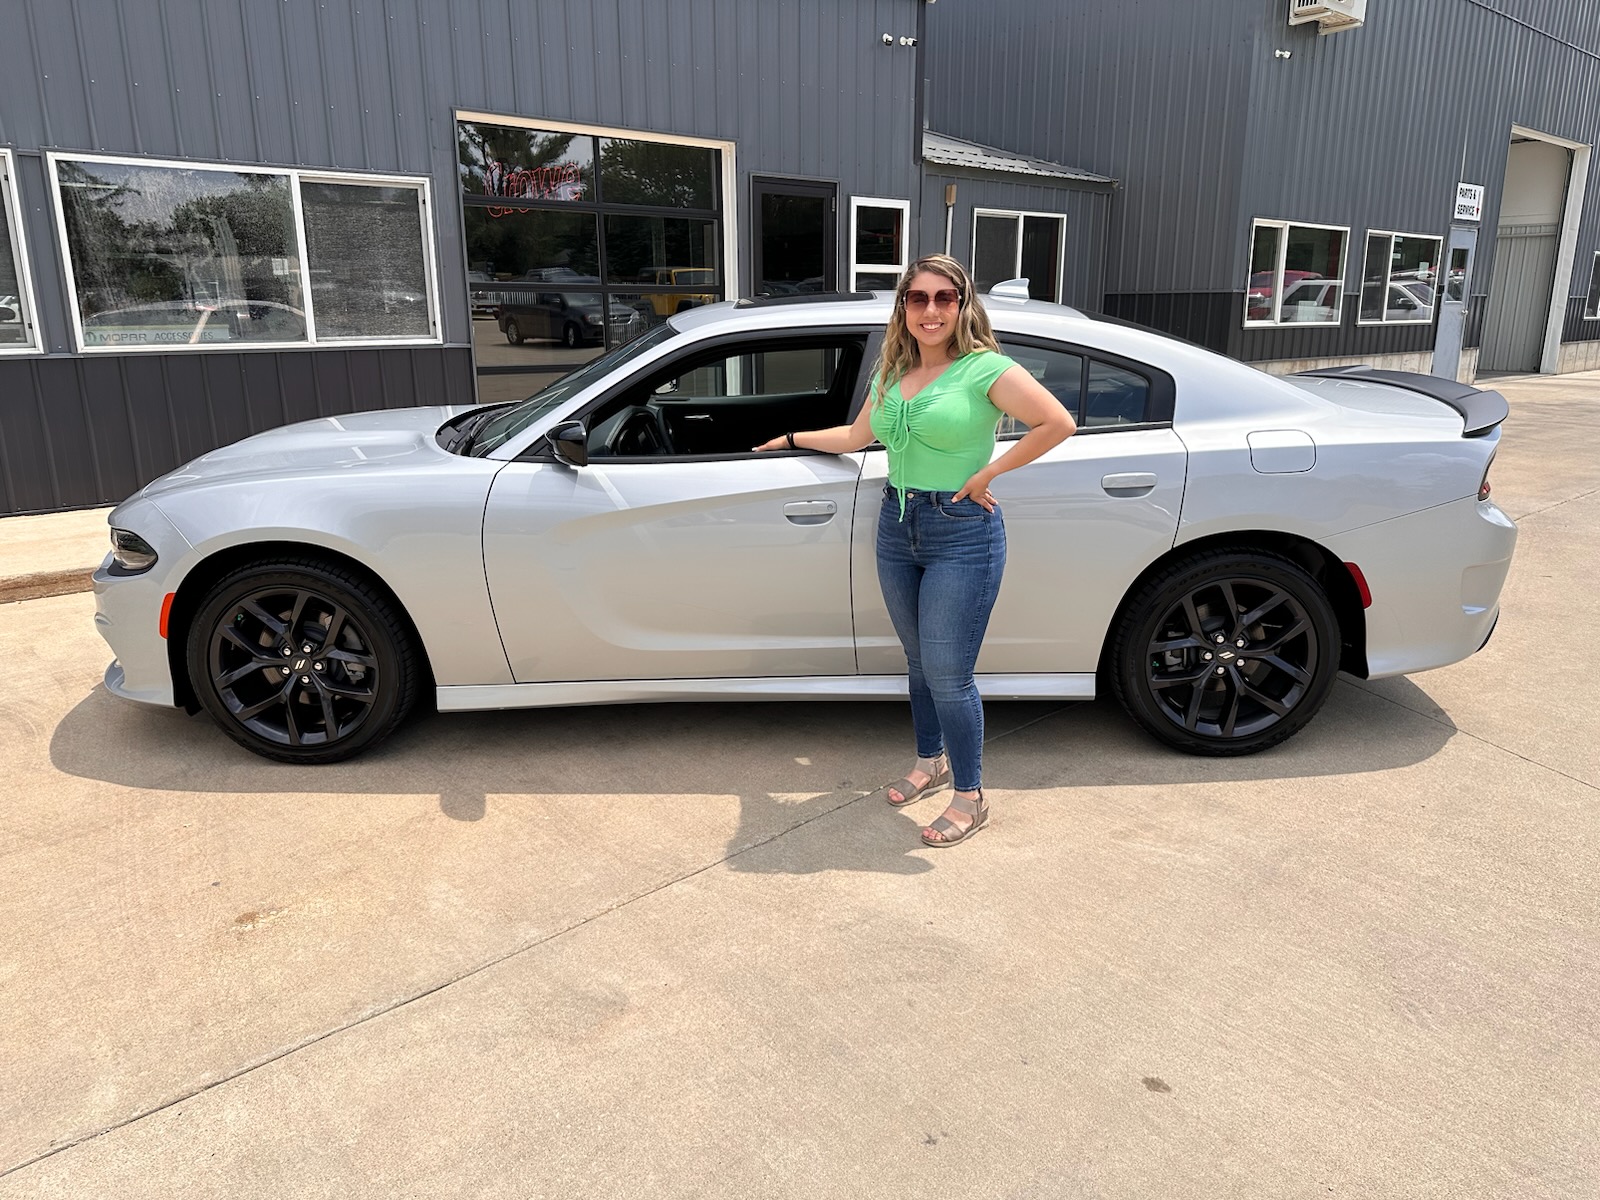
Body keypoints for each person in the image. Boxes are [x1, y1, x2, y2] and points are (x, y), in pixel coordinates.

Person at [755, 255, 1075, 847]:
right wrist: (792, 438)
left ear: (963, 306)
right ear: (903, 307)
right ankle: (932, 761)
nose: (931, 310)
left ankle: (971, 797)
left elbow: (1057, 423)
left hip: (961, 532)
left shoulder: (985, 368)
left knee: (950, 675)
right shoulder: (892, 370)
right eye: (918, 298)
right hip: (897, 525)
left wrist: (988, 474)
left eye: (944, 298)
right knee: (919, 663)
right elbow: (857, 437)